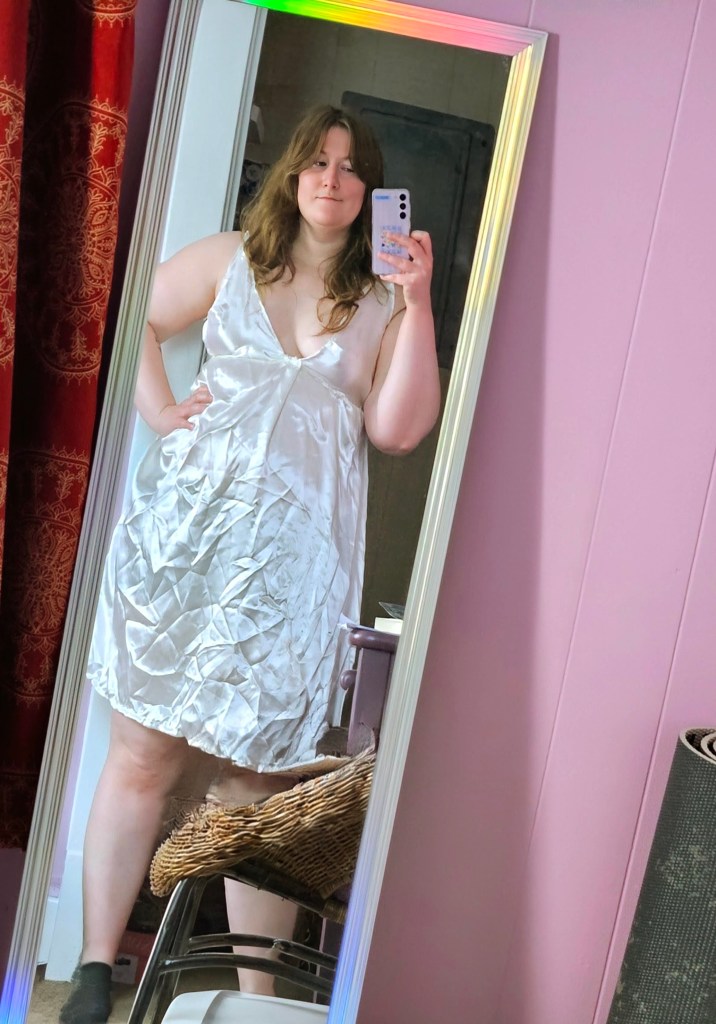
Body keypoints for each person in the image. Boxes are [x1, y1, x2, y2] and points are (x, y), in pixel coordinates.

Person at [59, 104, 439, 1024]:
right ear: (292, 174)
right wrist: (159, 411)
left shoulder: (384, 302)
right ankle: (94, 971)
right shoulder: (233, 258)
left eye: (351, 166)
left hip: (293, 582)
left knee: (258, 784)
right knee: (143, 756)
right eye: (316, 161)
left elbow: (398, 430)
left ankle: (259, 1003)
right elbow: (131, 317)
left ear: (371, 189)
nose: (331, 178)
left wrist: (420, 302)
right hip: (183, 549)